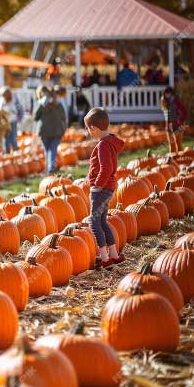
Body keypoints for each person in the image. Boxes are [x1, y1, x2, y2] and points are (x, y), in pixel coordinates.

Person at [85, 107, 124, 268]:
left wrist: (96, 186)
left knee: (94, 222)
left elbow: (106, 168)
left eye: (88, 128)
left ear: (93, 128)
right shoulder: (111, 142)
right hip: (109, 188)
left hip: (102, 189)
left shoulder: (102, 145)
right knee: (102, 221)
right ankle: (114, 254)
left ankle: (105, 259)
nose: (88, 132)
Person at [34, 85, 66, 174]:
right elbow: (63, 116)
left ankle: (49, 168)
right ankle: (51, 167)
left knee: (47, 150)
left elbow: (35, 117)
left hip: (44, 130)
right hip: (57, 130)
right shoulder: (58, 104)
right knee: (53, 149)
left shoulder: (41, 104)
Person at [161, 86, 189, 153]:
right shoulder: (164, 102)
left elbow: (185, 112)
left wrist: (180, 120)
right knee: (171, 144)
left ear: (172, 93)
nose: (167, 95)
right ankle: (173, 160)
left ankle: (180, 159)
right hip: (169, 126)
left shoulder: (176, 101)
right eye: (165, 93)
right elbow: (166, 116)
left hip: (178, 126)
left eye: (168, 93)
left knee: (178, 144)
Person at [0, 87, 22, 154]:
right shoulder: (1, 101)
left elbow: (19, 109)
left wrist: (19, 118)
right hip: (4, 121)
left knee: (13, 136)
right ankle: (7, 152)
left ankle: (16, 150)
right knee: (5, 137)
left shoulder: (14, 100)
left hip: (12, 120)